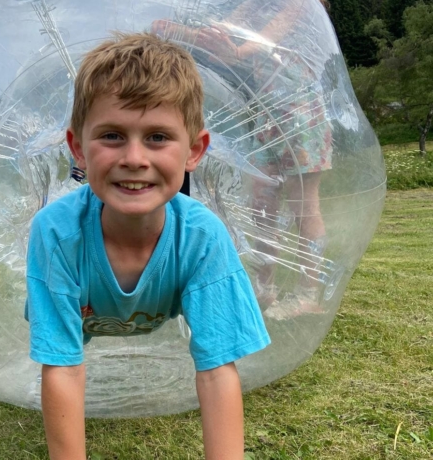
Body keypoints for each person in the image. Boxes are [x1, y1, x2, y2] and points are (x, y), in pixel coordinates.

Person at [25, 33, 270, 460]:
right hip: (85, 307)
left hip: (157, 286)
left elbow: (217, 370)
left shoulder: (202, 237)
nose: (135, 158)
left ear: (194, 151)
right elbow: (63, 365)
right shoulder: (55, 234)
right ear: (77, 149)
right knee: (62, 346)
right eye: (113, 136)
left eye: (157, 137)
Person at [152, 0, 333, 320]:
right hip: (262, 115)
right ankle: (264, 287)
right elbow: (221, 32)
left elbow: (259, 43)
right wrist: (175, 31)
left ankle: (309, 293)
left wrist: (233, 52)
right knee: (261, 205)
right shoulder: (256, 2)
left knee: (303, 205)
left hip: (300, 115)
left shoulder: (301, 4)